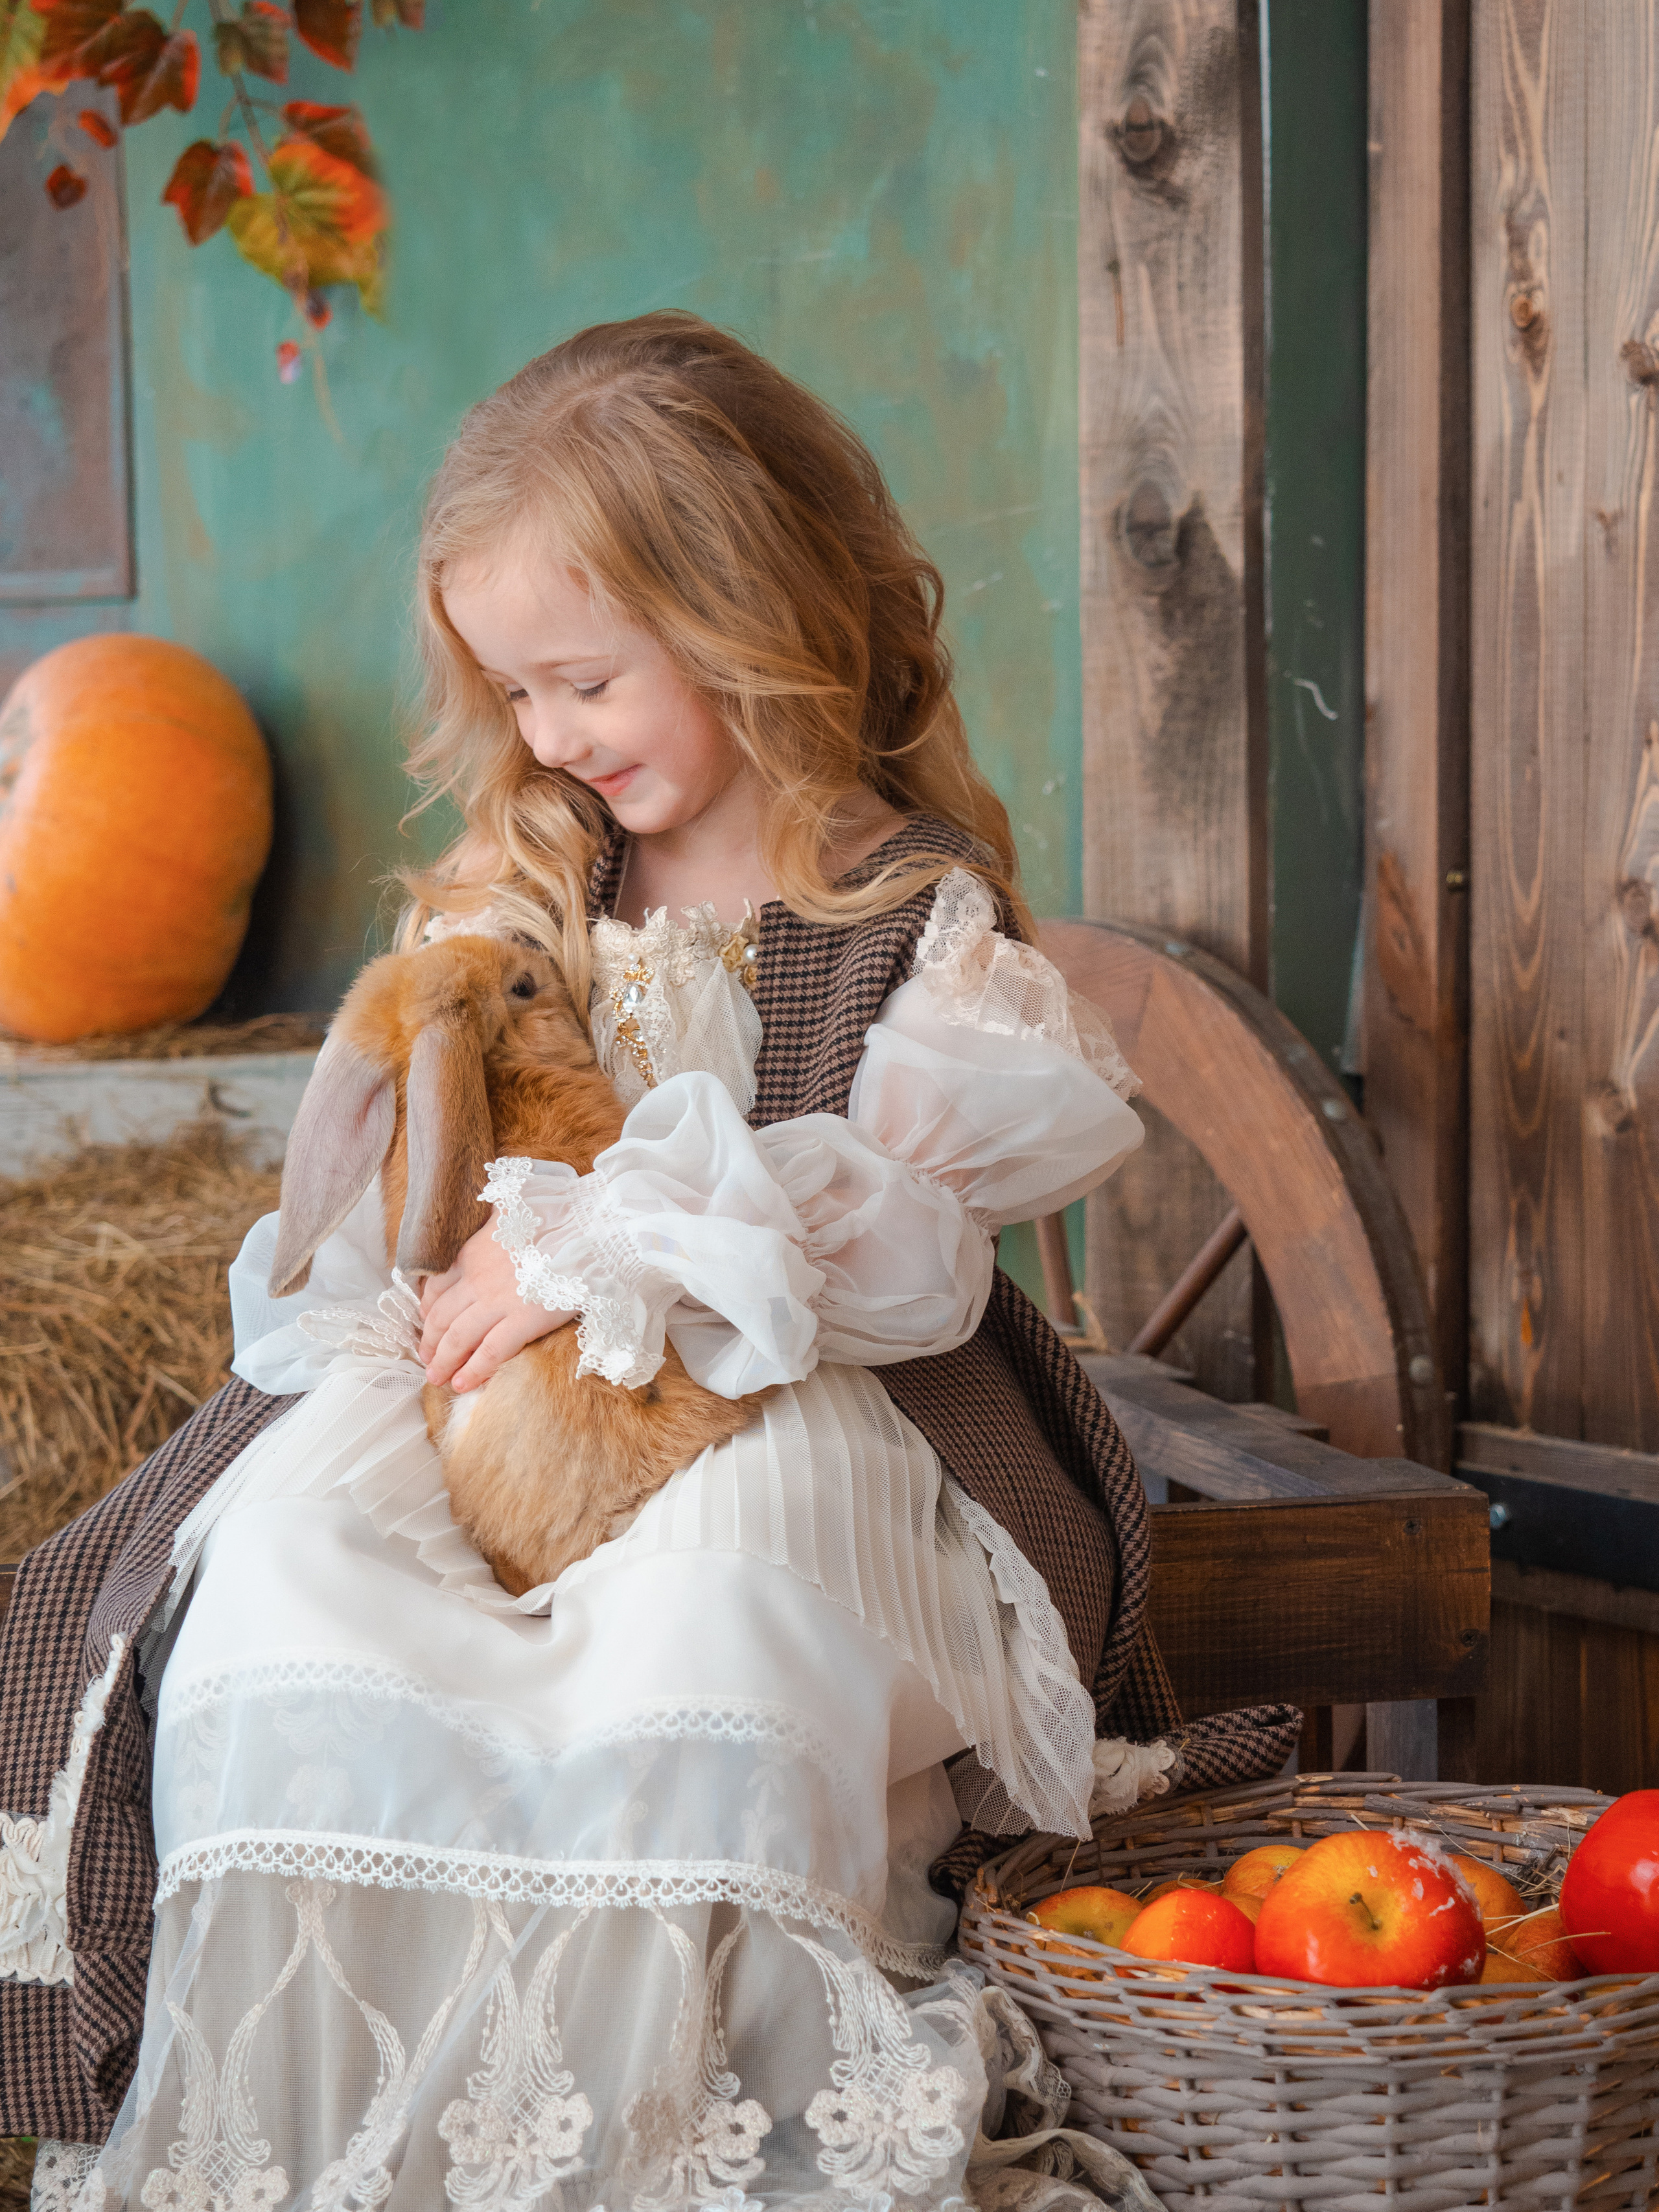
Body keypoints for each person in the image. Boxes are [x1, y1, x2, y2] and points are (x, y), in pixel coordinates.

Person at [0, 314, 1297, 2212]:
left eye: (587, 681)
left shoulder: (901, 912)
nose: (547, 737)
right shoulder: (525, 887)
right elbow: (398, 1185)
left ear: (749, 620)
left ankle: (662, 2139)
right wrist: (438, 1263)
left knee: (720, 1619)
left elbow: (904, 1248)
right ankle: (358, 2137)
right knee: (283, 1585)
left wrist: (608, 1250)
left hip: (799, 1385)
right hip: (495, 1399)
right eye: (514, 691)